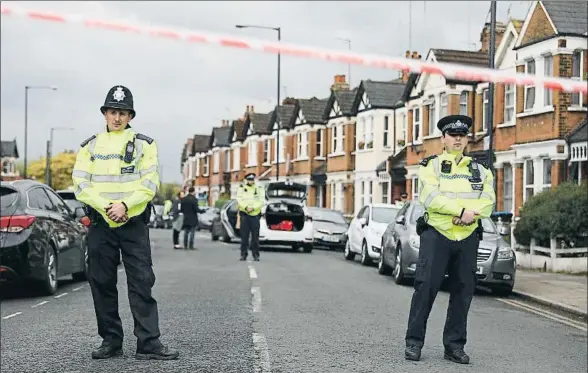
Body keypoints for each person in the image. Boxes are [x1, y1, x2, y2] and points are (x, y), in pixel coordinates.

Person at [72, 85, 179, 361]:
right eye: (112, 111)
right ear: (105, 113)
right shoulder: (89, 146)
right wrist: (108, 208)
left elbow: (149, 183)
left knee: (142, 281)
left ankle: (148, 343)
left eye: (122, 112)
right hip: (101, 223)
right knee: (102, 282)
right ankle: (110, 341)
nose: (117, 117)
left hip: (132, 223)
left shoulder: (145, 144)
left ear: (130, 115)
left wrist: (125, 206)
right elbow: (81, 185)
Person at [404, 115, 495, 364]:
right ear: (443, 139)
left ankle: (454, 346)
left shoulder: (480, 170)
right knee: (425, 289)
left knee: (463, 292)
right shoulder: (430, 166)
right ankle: (414, 342)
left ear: (467, 139)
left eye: (462, 136)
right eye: (452, 135)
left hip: (467, 236)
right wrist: (461, 212)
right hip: (438, 235)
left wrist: (470, 216)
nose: (457, 139)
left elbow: (488, 201)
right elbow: (431, 198)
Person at [236, 173, 265, 261]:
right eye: (249, 180)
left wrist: (253, 208)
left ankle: (256, 255)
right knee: (244, 237)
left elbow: (261, 201)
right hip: (245, 214)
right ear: (246, 180)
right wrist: (246, 207)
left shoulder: (259, 189)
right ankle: (243, 254)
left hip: (255, 215)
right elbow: (239, 199)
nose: (251, 181)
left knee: (255, 237)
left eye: (252, 180)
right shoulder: (241, 189)